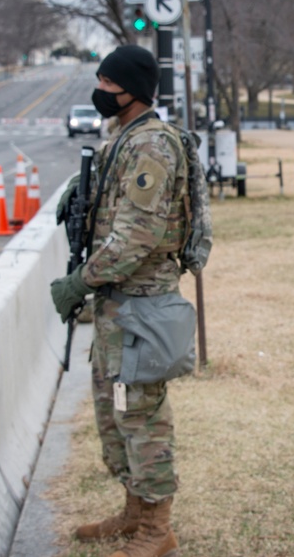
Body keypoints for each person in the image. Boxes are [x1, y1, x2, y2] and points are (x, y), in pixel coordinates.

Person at [50, 44, 193, 557]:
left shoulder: (151, 146)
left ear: (133, 88)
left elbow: (136, 237)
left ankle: (159, 529)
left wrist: (78, 283)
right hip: (118, 305)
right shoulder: (123, 137)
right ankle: (134, 511)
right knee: (114, 412)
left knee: (142, 414)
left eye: (109, 85)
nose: (101, 92)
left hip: (142, 303)